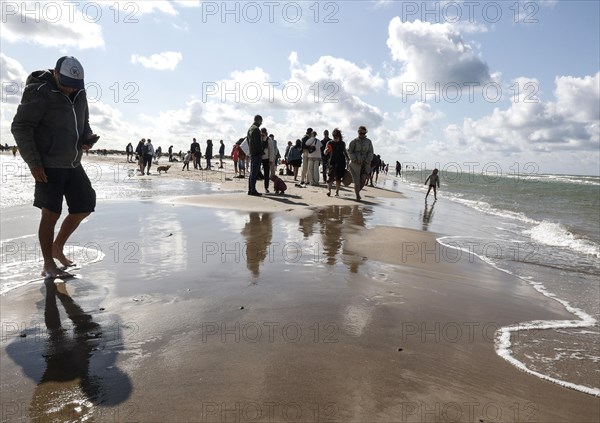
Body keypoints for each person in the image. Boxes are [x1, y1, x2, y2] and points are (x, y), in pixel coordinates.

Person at [11, 56, 98, 279]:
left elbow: (83, 121)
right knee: (51, 214)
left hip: (72, 161)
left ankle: (57, 247)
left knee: (84, 206)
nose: (70, 89)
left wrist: (86, 137)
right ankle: (48, 264)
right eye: (66, 83)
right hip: (47, 163)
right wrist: (33, 162)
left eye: (75, 85)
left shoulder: (78, 90)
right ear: (56, 74)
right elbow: (20, 127)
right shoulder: (39, 91)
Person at [347, 126, 373, 201]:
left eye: (363, 133)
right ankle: (357, 195)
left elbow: (371, 152)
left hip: (365, 163)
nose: (362, 134)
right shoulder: (353, 141)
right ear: (358, 132)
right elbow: (350, 152)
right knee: (357, 180)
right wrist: (355, 159)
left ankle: (357, 191)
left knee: (364, 179)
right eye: (360, 133)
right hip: (355, 164)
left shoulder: (369, 142)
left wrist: (368, 160)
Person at [324, 128, 349, 197]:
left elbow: (345, 152)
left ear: (339, 136)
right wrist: (327, 150)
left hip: (341, 162)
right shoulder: (330, 142)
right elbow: (325, 152)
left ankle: (337, 192)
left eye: (336, 137)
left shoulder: (342, 143)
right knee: (330, 177)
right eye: (334, 137)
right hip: (332, 161)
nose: (335, 138)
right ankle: (329, 191)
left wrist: (348, 160)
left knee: (338, 178)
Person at [247, 115, 263, 196]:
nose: (261, 123)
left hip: (252, 153)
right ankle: (253, 190)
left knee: (252, 172)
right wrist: (261, 152)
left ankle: (250, 190)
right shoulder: (256, 129)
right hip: (256, 153)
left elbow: (247, 141)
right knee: (254, 173)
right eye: (261, 121)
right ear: (259, 120)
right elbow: (258, 143)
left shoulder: (250, 128)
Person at [260, 128, 275, 193]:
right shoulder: (258, 138)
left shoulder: (269, 139)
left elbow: (271, 150)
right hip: (259, 157)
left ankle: (266, 187)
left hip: (266, 158)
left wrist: (271, 160)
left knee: (266, 173)